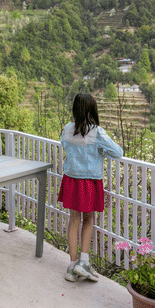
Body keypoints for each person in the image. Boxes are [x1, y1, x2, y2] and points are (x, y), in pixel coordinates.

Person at [59, 93, 123, 282]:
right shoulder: (96, 131)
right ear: (92, 109)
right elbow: (117, 152)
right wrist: (100, 151)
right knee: (88, 219)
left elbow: (66, 146)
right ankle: (84, 262)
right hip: (89, 181)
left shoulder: (67, 129)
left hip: (71, 178)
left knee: (73, 220)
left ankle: (72, 266)